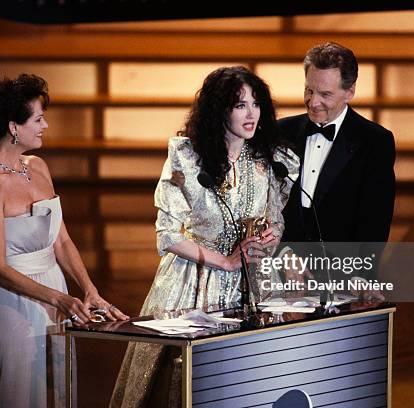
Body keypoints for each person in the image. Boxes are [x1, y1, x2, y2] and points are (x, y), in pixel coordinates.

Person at [110, 66, 299, 407]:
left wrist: (273, 235)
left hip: (256, 284)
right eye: (240, 105)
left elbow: (276, 219)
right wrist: (225, 261)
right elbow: (167, 236)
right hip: (195, 283)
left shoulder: (268, 160)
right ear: (219, 109)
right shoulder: (189, 157)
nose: (251, 113)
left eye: (256, 104)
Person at [0, 73, 128, 408]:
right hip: (13, 296)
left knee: (56, 384)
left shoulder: (38, 167)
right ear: (14, 127)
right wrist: (59, 299)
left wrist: (88, 290)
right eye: (38, 119)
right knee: (21, 388)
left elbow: (63, 241)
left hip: (54, 287)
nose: (46, 125)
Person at [279, 42, 396, 298]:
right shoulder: (280, 133)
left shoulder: (375, 141)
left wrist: (361, 274)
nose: (313, 102)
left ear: (350, 92)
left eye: (325, 94)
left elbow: (376, 219)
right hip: (282, 275)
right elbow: (266, 207)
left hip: (343, 277)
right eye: (308, 91)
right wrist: (283, 254)